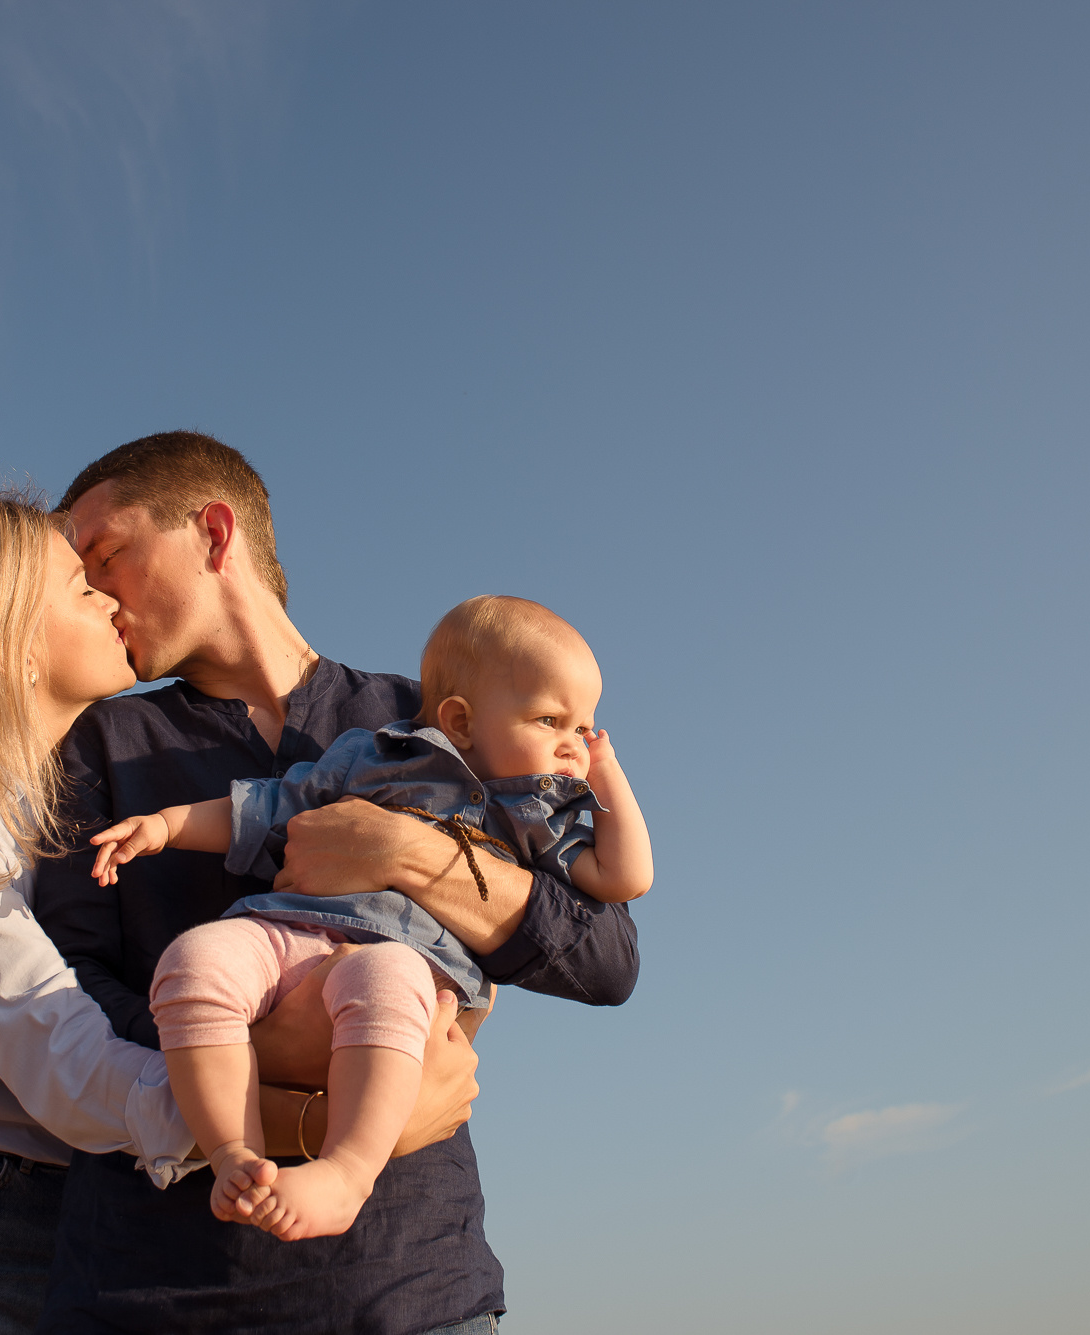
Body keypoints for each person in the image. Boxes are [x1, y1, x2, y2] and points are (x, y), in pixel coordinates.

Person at [0, 489, 479, 1335]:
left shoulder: (79, 787)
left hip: (94, 1212)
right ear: (10, 646)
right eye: (83, 590)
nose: (113, 599)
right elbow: (64, 1057)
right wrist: (317, 1116)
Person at [35, 434, 641, 1334]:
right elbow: (66, 999)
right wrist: (293, 1102)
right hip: (153, 1292)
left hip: (410, 1291)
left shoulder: (432, 720)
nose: (94, 588)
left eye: (107, 551)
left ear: (213, 531)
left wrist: (405, 855)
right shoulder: (94, 746)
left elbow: (607, 956)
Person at [89, 594, 654, 1242]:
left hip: (406, 953)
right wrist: (165, 825)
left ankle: (345, 1173)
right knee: (194, 961)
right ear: (460, 720)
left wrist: (608, 781)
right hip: (289, 923)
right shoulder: (376, 751)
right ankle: (232, 1152)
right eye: (552, 719)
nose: (573, 745)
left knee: (383, 987)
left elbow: (623, 881)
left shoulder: (538, 814)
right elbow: (265, 807)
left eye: (584, 727)